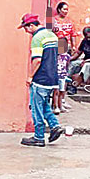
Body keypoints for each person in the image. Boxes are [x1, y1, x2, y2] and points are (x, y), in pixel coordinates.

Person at [19, 13, 65, 147]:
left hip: (41, 77)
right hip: (52, 77)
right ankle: (55, 125)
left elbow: (37, 60)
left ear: (32, 25)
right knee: (44, 105)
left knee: (36, 107)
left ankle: (38, 136)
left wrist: (30, 76)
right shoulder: (52, 35)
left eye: (26, 28)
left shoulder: (37, 38)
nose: (26, 31)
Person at [53, 34, 71, 114]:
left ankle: (60, 106)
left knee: (61, 91)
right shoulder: (55, 55)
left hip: (63, 76)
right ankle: (55, 106)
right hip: (56, 75)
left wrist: (66, 74)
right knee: (56, 92)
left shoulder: (67, 56)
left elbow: (67, 65)